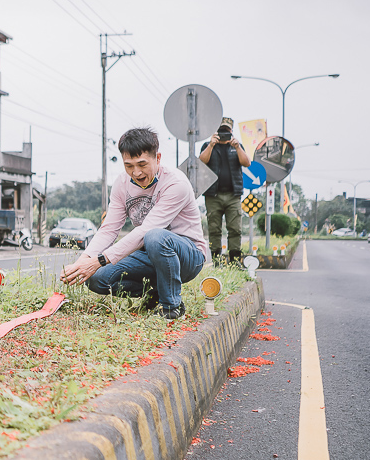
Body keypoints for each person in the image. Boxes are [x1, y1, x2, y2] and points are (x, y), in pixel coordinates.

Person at [60, 126, 208, 320]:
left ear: (158, 158)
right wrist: (82, 262)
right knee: (96, 279)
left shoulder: (175, 183)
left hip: (188, 256)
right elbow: (109, 229)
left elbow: (146, 231)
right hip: (149, 252)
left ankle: (172, 306)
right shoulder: (122, 184)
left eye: (142, 164)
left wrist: (99, 260)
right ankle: (156, 292)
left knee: (154, 236)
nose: (136, 172)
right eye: (129, 165)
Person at [199, 116, 251, 263]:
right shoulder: (207, 145)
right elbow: (201, 161)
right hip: (212, 195)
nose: (224, 135)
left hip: (233, 195)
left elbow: (246, 162)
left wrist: (237, 147)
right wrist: (211, 145)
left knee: (235, 229)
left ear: (232, 132)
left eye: (226, 131)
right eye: (221, 131)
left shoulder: (237, 146)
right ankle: (216, 261)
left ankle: (235, 262)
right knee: (214, 229)